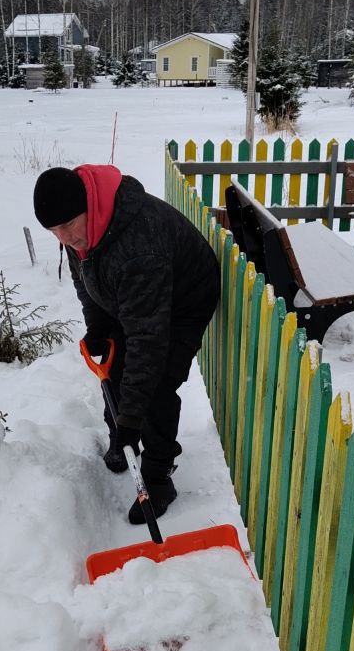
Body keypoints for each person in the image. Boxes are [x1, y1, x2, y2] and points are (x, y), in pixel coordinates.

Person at [33, 163, 220, 524]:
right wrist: (99, 326)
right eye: (54, 231)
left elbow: (148, 341)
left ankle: (157, 477)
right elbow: (87, 282)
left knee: (158, 380)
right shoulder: (81, 231)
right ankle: (123, 439)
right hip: (134, 297)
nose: (64, 237)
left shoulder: (137, 246)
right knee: (118, 366)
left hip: (184, 299)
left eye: (68, 225)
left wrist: (132, 417)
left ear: (88, 206)